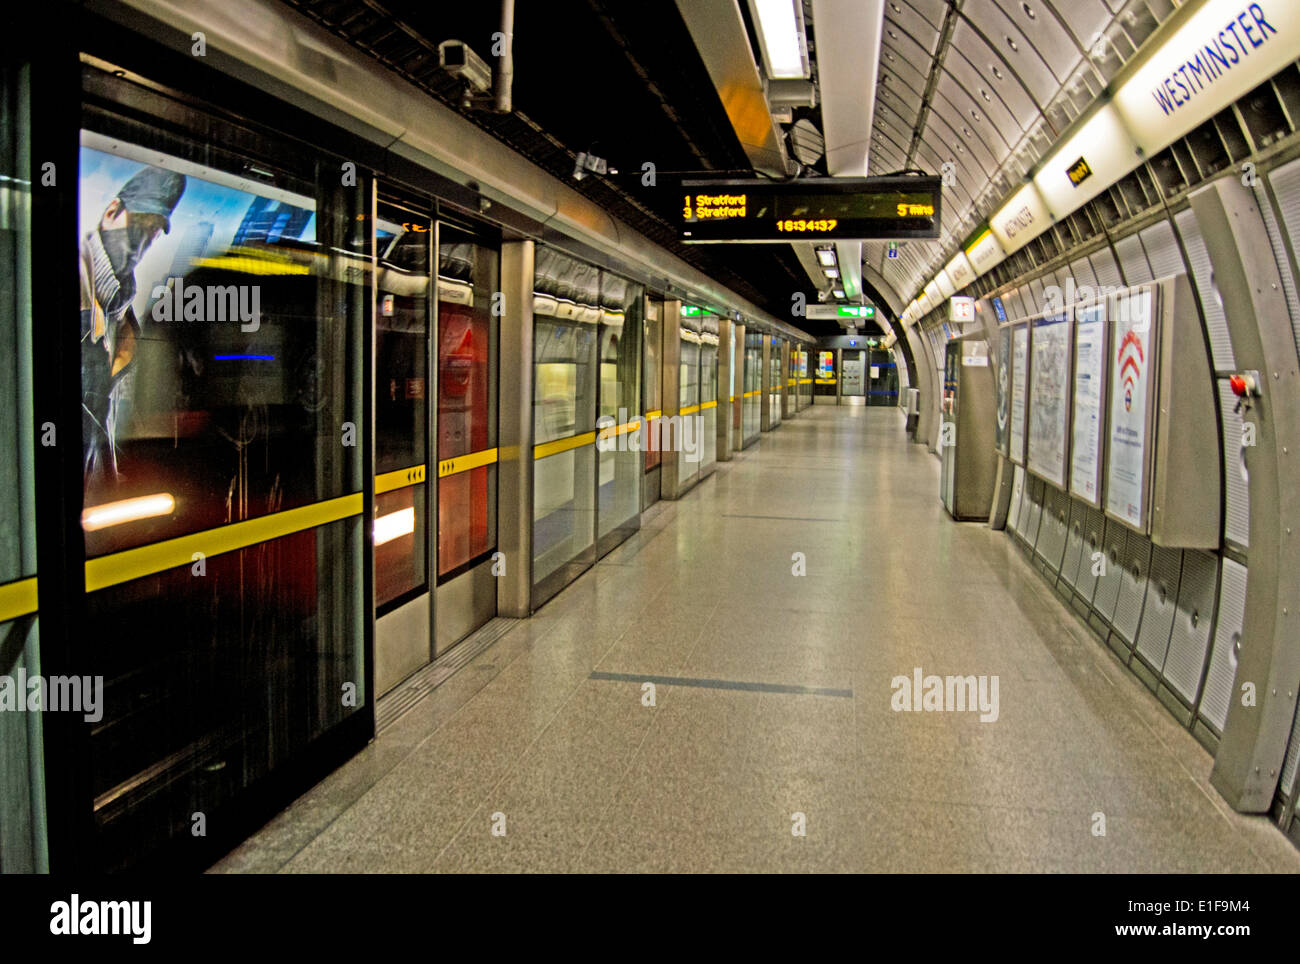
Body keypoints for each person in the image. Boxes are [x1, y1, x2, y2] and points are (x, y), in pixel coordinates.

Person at [79, 165, 185, 482]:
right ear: (112, 211)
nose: (142, 242)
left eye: (152, 231)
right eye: (138, 224)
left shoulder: (120, 312)